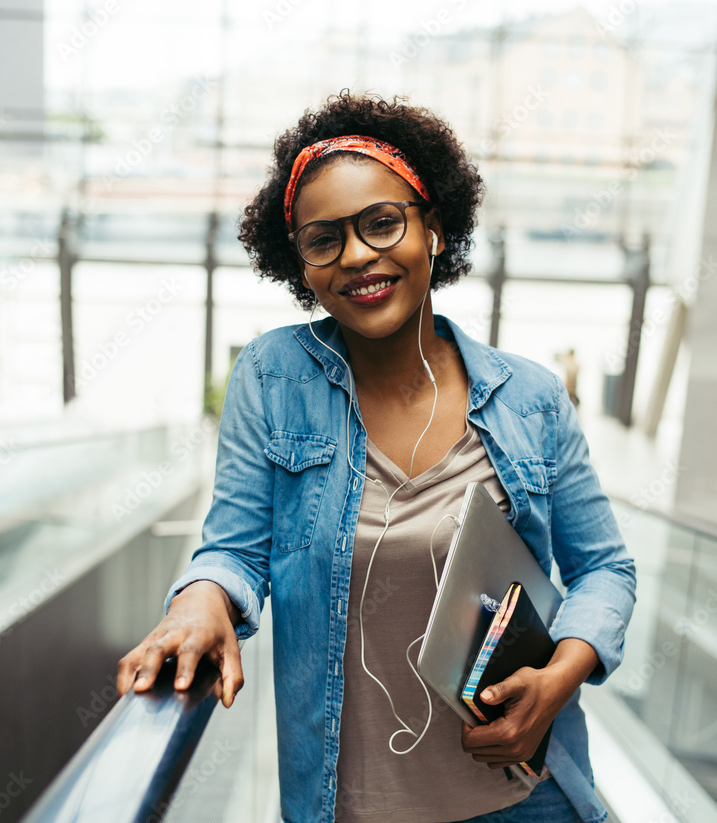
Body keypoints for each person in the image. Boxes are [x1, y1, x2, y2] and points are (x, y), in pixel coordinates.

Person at [117, 93, 636, 823]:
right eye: (323, 239)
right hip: (348, 808)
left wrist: (562, 672)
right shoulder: (274, 376)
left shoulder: (531, 398)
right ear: (299, 263)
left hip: (528, 797)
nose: (357, 255)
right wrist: (201, 597)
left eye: (382, 223)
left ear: (434, 227)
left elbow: (605, 567)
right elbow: (233, 547)